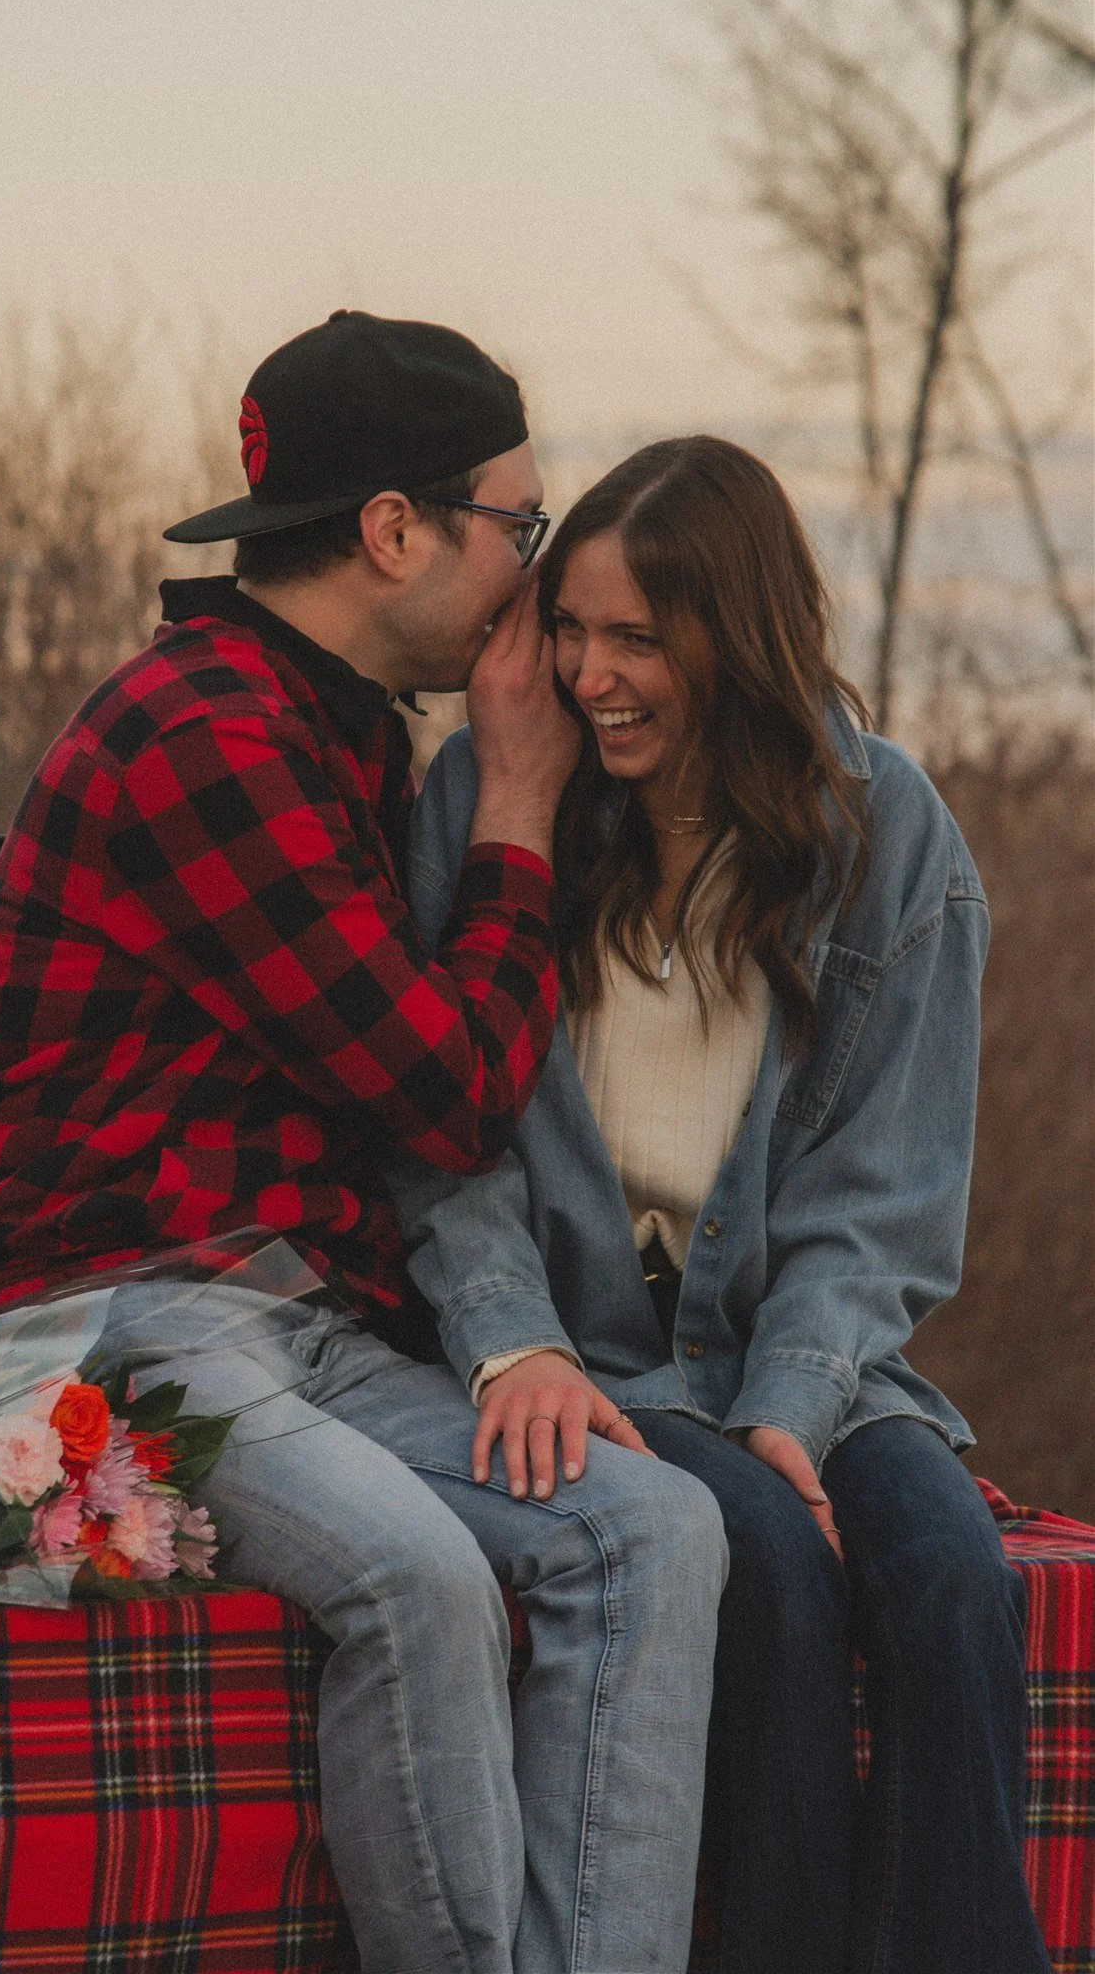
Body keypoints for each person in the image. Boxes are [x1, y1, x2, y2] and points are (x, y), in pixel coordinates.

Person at [0, 313, 726, 1974]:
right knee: (418, 1576)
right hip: (76, 1329)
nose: (536, 584)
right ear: (398, 531)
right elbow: (446, 1093)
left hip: (288, 1329)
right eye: (520, 531)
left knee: (652, 1532)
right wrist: (518, 811)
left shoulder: (333, 733)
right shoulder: (203, 736)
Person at [392, 435, 1050, 1974]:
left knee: (955, 1588)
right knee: (771, 1574)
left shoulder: (885, 836)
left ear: (735, 636)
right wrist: (507, 1341)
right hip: (596, 1346)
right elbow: (442, 1132)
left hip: (803, 1347)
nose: (591, 672)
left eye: (638, 639)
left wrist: (794, 1405)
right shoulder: (502, 803)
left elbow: (884, 1199)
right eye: (573, 628)